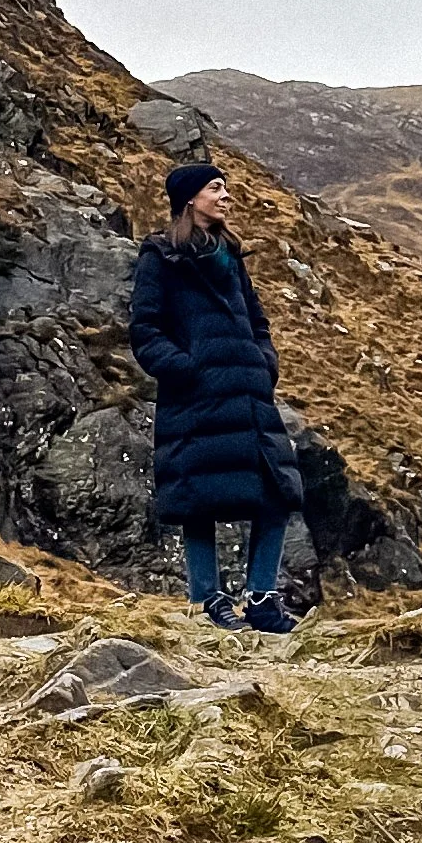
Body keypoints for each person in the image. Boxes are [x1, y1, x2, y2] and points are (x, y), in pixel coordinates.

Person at [128, 160, 304, 632]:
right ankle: (208, 600)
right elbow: (145, 330)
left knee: (276, 493)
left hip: (248, 395)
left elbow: (258, 321)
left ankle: (263, 599)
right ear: (190, 198)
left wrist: (265, 363)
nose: (227, 196)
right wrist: (187, 371)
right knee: (198, 499)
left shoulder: (230, 255)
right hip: (197, 399)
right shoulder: (160, 256)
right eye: (216, 188)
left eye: (226, 188)